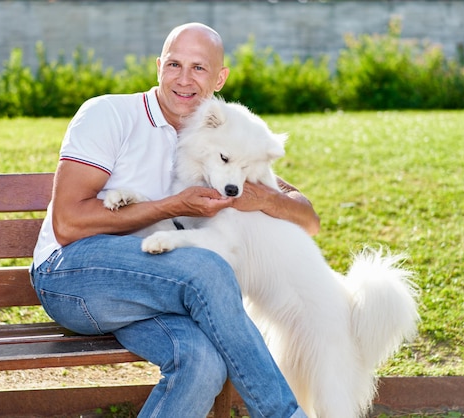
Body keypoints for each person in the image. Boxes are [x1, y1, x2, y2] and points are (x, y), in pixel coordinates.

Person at [31, 22, 320, 418]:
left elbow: (307, 218)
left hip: (148, 288)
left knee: (202, 362)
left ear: (220, 78)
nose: (184, 79)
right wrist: (173, 205)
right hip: (71, 277)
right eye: (174, 65)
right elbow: (67, 224)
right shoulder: (108, 114)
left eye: (199, 68)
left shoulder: (220, 136)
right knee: (206, 268)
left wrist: (264, 198)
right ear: (158, 68)